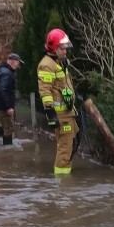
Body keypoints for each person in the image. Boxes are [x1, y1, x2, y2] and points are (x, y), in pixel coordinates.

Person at [38, 28, 78, 175]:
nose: (65, 51)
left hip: (68, 112)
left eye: (66, 48)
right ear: (53, 48)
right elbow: (45, 91)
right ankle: (63, 184)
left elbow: (63, 85)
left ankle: (64, 176)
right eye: (62, 48)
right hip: (61, 115)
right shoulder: (47, 65)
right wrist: (50, 113)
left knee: (70, 145)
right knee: (64, 148)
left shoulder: (60, 62)